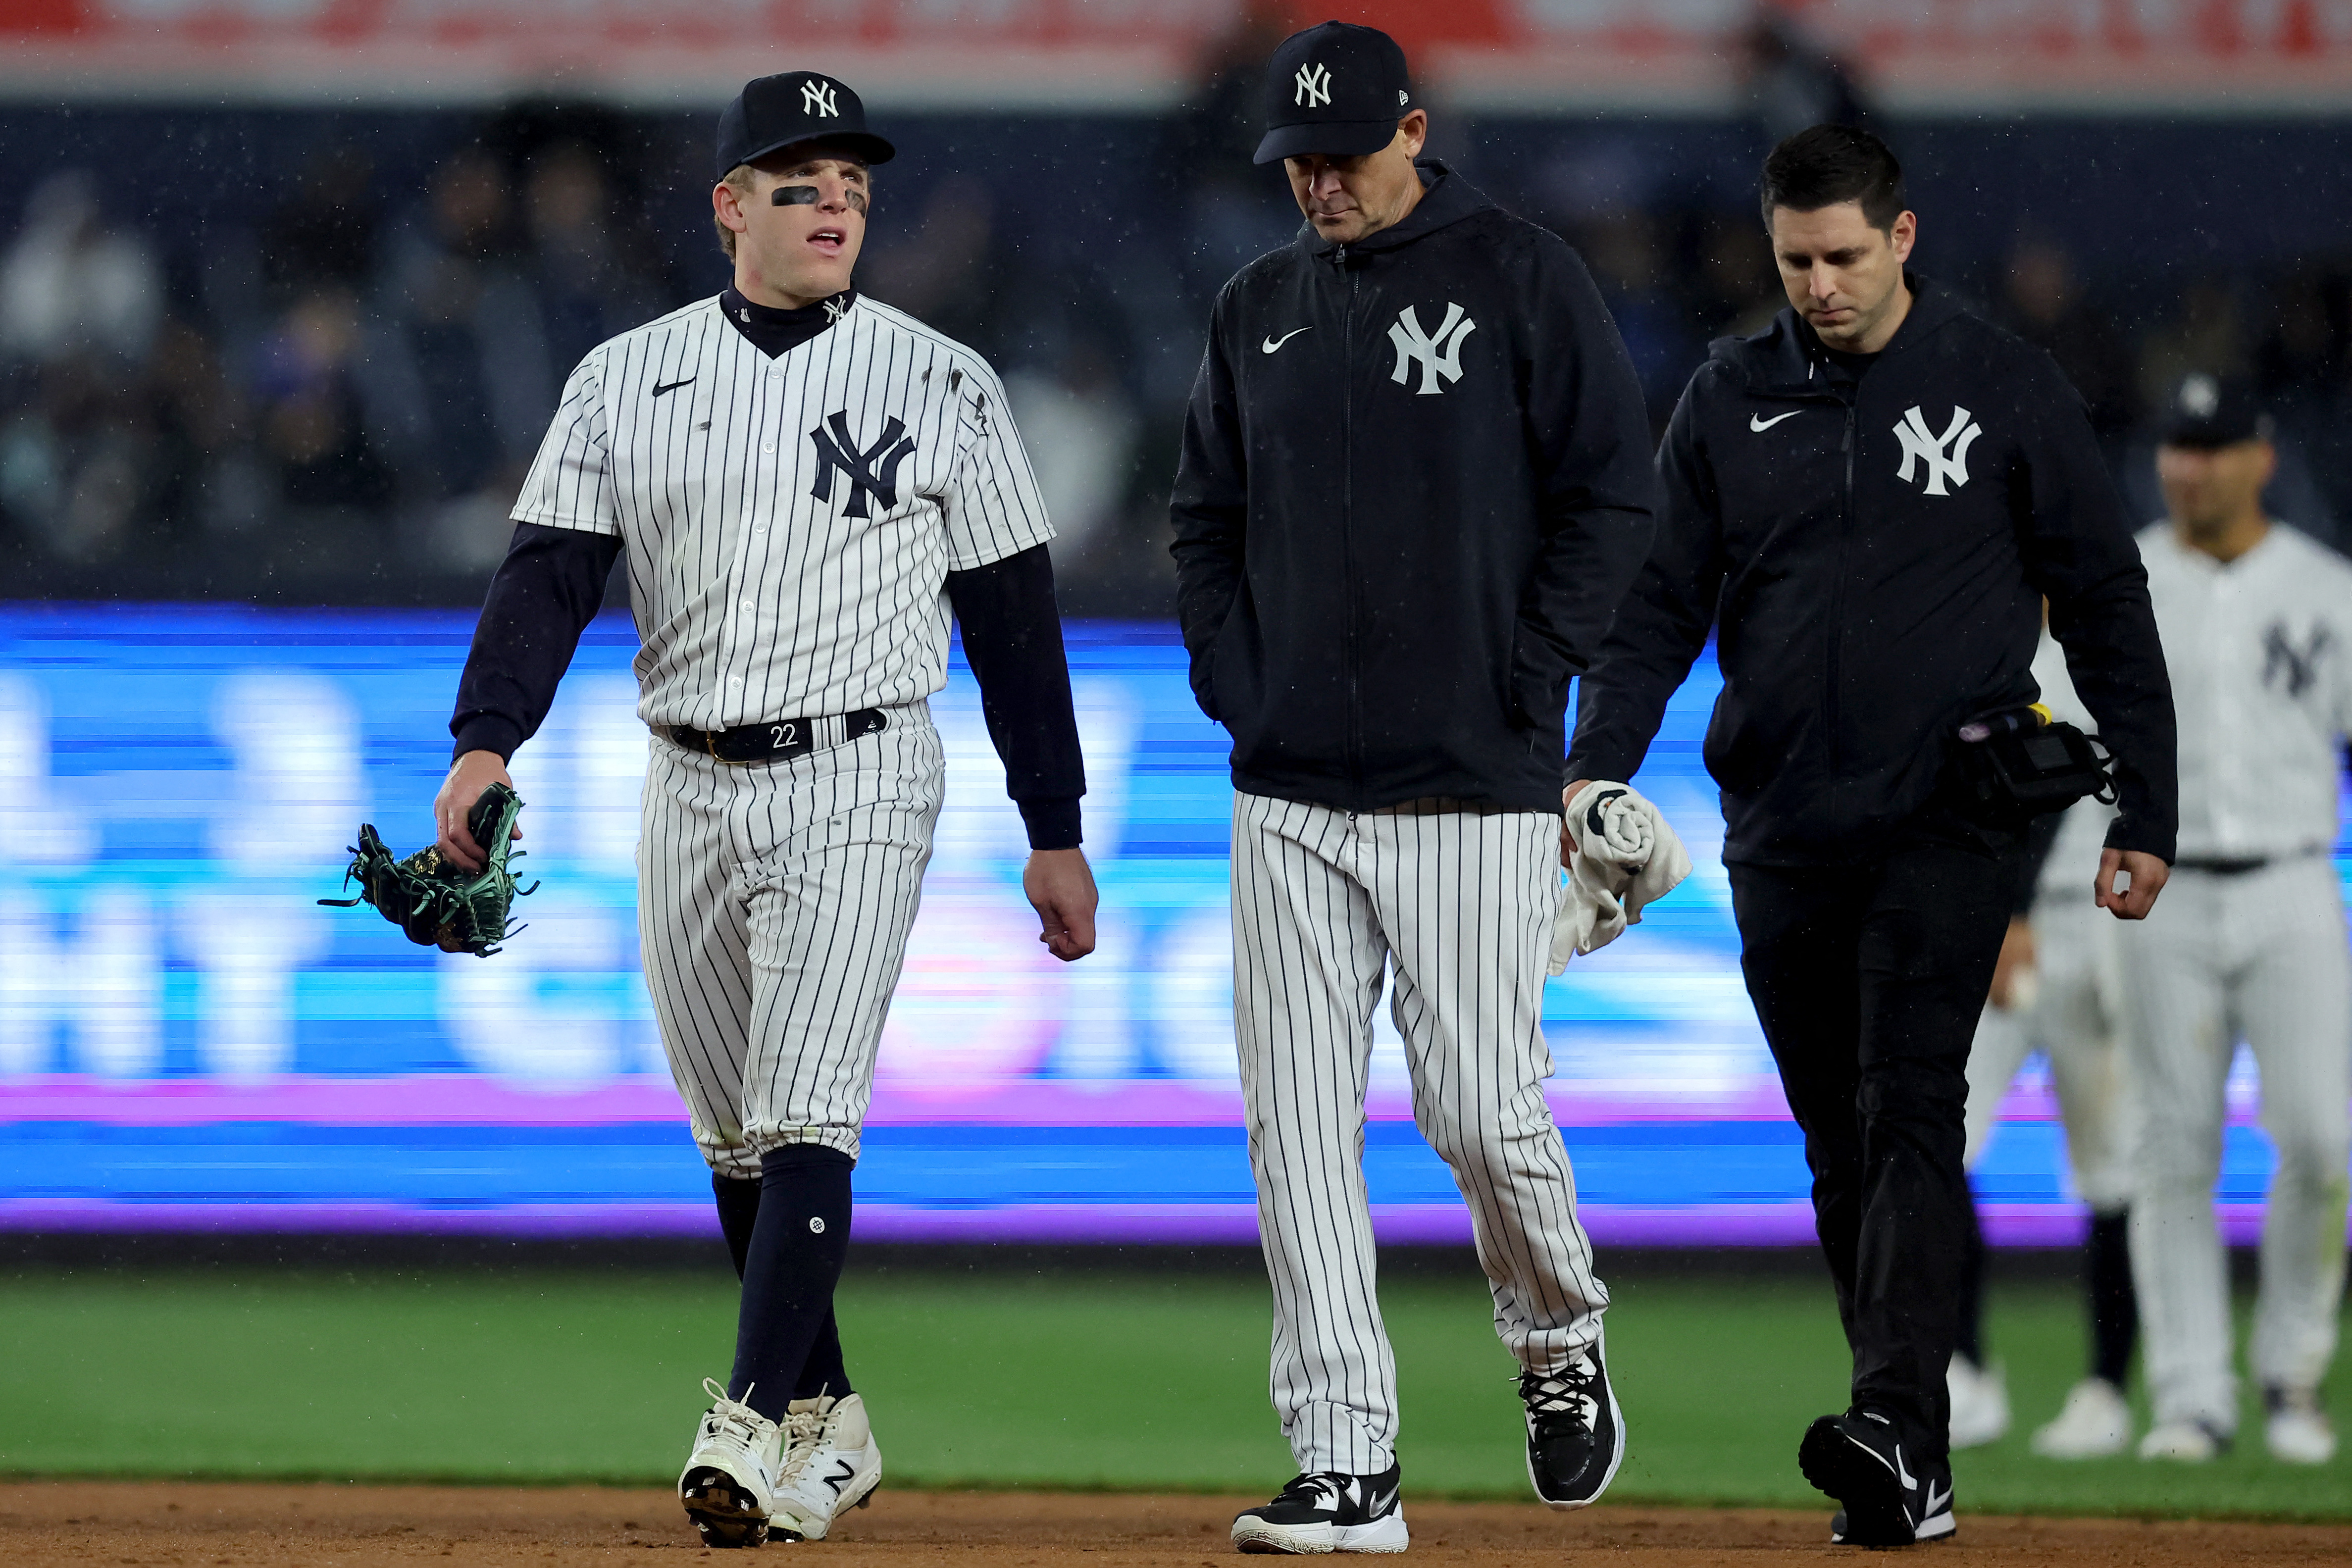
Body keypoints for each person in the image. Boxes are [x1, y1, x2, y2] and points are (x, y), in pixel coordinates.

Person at [432, 71, 1099, 1546]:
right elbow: (548, 572)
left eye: (851, 183)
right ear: (729, 207)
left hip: (862, 762)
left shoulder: (941, 381)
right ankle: (830, 1420)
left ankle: (741, 1427)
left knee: (806, 1108)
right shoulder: (625, 375)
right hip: (683, 773)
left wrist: (1050, 825)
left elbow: (1013, 616)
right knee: (735, 1135)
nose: (835, 204)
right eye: (799, 184)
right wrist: (485, 744)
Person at [1569, 125, 2176, 1545]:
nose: (1820, 286)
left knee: (1909, 1108)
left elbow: (2101, 596)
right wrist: (1594, 766)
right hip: (1779, 822)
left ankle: (1899, 1427)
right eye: (1795, 261)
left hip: (1946, 817)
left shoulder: (1996, 387)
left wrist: (2146, 802)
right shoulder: (1727, 394)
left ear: (1899, 240)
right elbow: (1659, 601)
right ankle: (1909, 1444)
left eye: (1843, 256)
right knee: (1836, 1143)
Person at [1169, 21, 1658, 1553]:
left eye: (1343, 154)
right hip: (1288, 789)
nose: (1318, 183)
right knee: (1296, 1129)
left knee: (1475, 1109)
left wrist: (1531, 684)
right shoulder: (1256, 307)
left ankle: (1555, 1336)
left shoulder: (1517, 275)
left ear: (1413, 131)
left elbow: (1609, 493)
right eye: (1296, 162)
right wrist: (1235, 681)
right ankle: (1345, 1464)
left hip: (1467, 778)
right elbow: (1202, 521)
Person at [2121, 373, 2352, 1467]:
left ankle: (2291, 1374)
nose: (2188, 467)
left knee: (2321, 1137)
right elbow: (2060, 739)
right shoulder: (2117, 580)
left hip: (2291, 881)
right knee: (2171, 1148)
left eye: (2210, 446)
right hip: (2158, 889)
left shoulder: (2324, 588)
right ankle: (2190, 1397)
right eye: (2176, 444)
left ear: (2258, 457)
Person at [1947, 631, 2141, 1460]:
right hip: (1987, 917)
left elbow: (2075, 787)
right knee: (1936, 1145)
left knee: (2111, 1168)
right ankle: (1960, 1372)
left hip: (2091, 922)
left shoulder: (2117, 642)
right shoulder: (1972, 630)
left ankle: (2105, 1388)